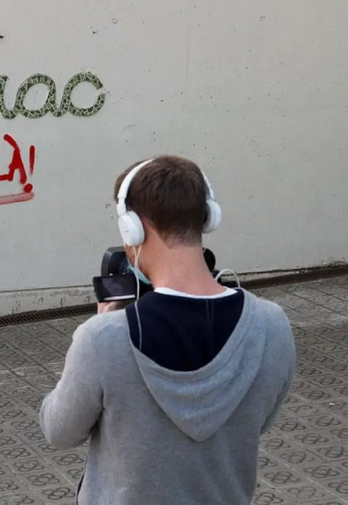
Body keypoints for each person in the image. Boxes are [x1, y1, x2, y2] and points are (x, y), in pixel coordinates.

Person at [39, 155, 296, 504]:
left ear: (133, 228)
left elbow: (58, 431)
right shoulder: (272, 326)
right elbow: (256, 422)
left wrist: (100, 327)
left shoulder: (103, 339)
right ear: (207, 217)